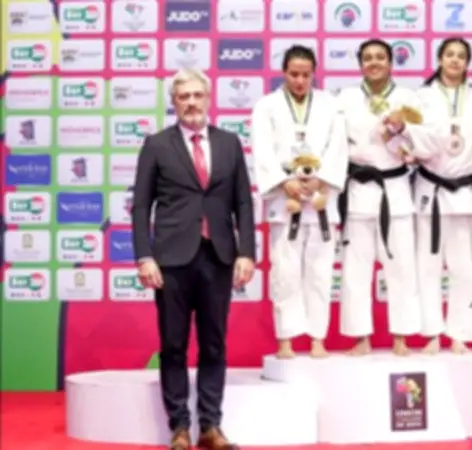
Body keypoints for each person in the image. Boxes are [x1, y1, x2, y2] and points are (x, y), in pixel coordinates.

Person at [132, 68, 256, 450]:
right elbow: (141, 206)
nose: (190, 102)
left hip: (218, 257)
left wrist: (246, 252)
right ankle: (179, 428)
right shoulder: (156, 144)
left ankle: (210, 427)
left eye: (196, 95)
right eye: (183, 96)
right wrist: (144, 256)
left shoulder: (229, 143)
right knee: (173, 345)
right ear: (174, 101)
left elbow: (243, 203)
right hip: (171, 260)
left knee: (214, 344)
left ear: (208, 97)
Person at [251, 45, 348, 359]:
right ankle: (286, 339)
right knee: (285, 273)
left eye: (306, 75)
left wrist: (322, 179)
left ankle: (318, 338)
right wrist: (284, 181)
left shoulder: (331, 105)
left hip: (321, 199)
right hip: (285, 201)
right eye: (294, 74)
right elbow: (262, 149)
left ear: (314, 73)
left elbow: (338, 148)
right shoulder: (266, 106)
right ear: (284, 72)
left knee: (320, 273)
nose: (300, 81)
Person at [336, 39, 422, 356]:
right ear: (361, 64)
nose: (374, 63)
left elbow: (421, 144)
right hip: (358, 189)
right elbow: (335, 143)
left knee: (401, 267)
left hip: (394, 190)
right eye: (368, 58)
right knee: (355, 270)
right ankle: (360, 337)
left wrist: (400, 133)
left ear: (390, 63)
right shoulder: (345, 98)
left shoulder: (407, 98)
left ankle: (401, 336)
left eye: (380, 57)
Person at [405, 38, 472, 354]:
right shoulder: (421, 97)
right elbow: (411, 137)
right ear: (439, 58)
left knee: (462, 267)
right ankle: (432, 333)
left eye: (461, 56)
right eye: (450, 54)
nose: (455, 60)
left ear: (468, 63)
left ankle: (459, 334)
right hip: (431, 188)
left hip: (465, 190)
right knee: (427, 266)